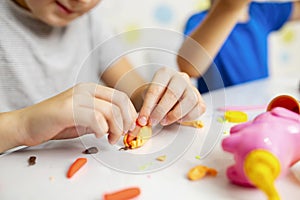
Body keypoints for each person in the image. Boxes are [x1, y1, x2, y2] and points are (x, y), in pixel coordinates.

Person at [0, 0, 206, 153]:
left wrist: (162, 99)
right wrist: (23, 125)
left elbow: (135, 92)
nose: (84, 1)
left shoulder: (89, 22)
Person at [177, 0, 300, 93]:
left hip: (259, 108)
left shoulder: (262, 12)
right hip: (220, 115)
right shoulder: (198, 20)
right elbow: (189, 67)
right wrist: (229, 8)